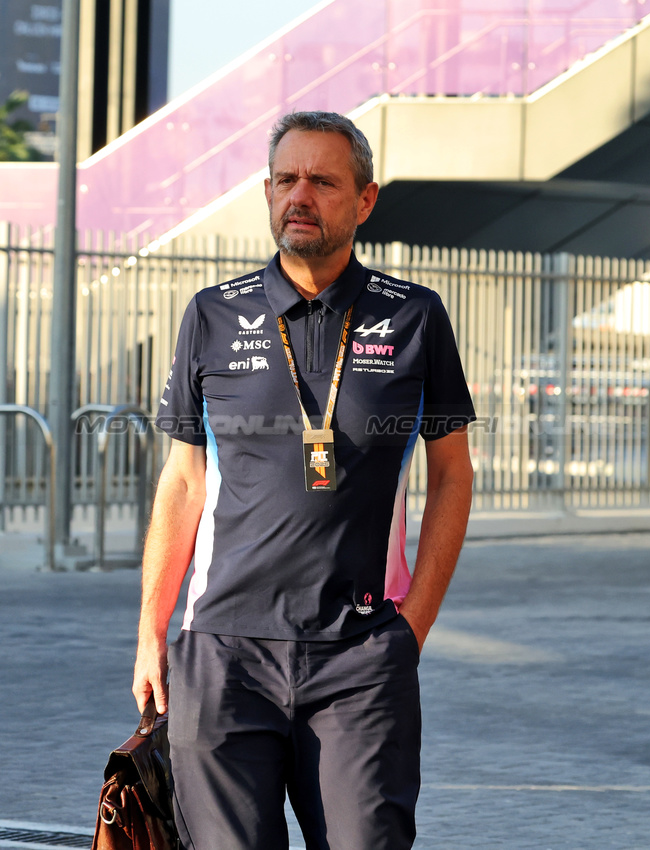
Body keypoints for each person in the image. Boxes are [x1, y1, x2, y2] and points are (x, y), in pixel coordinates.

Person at [133, 111, 475, 849]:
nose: (300, 195)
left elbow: (452, 476)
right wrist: (149, 630)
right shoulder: (213, 315)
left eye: (322, 181)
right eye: (286, 179)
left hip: (360, 655)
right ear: (266, 191)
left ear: (365, 200)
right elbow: (184, 482)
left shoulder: (413, 317)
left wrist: (412, 626)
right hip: (224, 654)